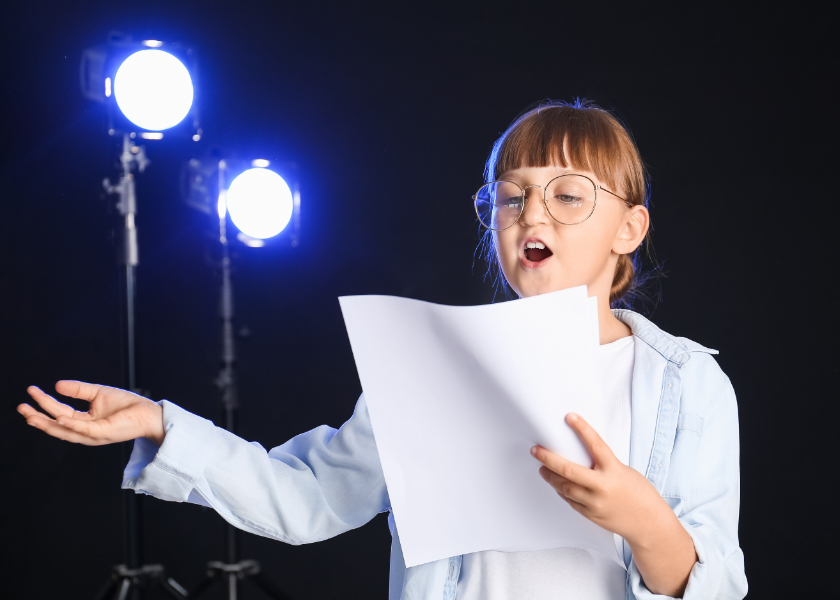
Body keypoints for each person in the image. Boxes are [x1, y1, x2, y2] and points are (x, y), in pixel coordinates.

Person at [17, 100, 747, 600]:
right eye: (511, 194)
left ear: (629, 228)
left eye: (568, 195)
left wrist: (642, 516)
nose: (532, 212)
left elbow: (714, 584)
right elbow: (306, 501)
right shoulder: (433, 370)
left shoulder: (690, 387)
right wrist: (161, 423)